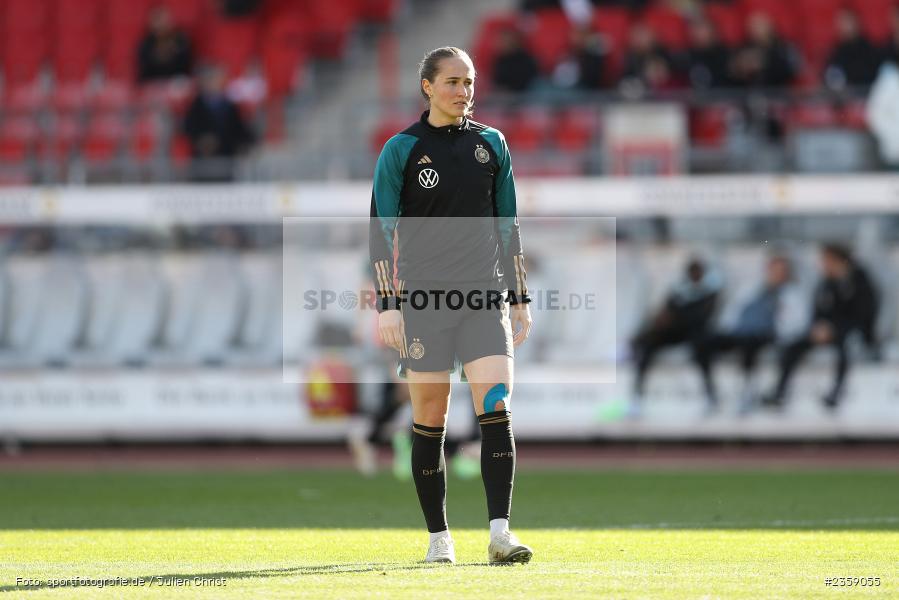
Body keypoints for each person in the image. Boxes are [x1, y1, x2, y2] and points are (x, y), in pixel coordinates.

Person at [369, 47, 533, 565]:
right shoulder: (401, 150)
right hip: (424, 302)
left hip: (485, 299)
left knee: (496, 407)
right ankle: (439, 538)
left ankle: (501, 534)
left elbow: (508, 226)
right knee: (430, 417)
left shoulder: (492, 144)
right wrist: (388, 305)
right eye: (452, 82)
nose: (463, 91)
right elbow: (381, 231)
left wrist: (520, 298)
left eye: (469, 81)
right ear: (427, 87)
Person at [762, 244, 880, 411]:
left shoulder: (859, 281)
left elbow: (864, 313)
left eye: (825, 260)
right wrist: (819, 326)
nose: (822, 264)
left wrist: (834, 328)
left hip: (852, 331)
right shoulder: (826, 282)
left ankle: (836, 392)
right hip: (826, 331)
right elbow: (819, 309)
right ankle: (780, 391)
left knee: (845, 350)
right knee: (793, 347)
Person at [694, 254, 806, 414]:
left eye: (781, 271)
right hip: (738, 332)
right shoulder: (751, 288)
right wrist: (727, 329)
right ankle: (710, 392)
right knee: (702, 342)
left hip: (767, 334)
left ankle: (746, 391)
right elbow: (732, 312)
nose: (776, 274)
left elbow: (796, 324)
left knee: (749, 343)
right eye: (774, 269)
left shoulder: (791, 294)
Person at [630, 258, 721, 414]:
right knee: (648, 345)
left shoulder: (710, 292)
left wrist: (679, 316)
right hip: (675, 332)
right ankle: (637, 396)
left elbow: (702, 317)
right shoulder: (679, 291)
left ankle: (710, 394)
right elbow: (667, 310)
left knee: (702, 349)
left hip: (695, 333)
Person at [183, 66, 255, 182]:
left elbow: (240, 130)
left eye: (217, 80)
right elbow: (188, 128)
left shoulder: (231, 106)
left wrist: (245, 143)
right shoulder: (195, 106)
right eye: (210, 80)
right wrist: (201, 140)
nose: (213, 83)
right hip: (203, 162)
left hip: (227, 160)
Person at [730, 12, 798, 88]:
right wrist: (740, 68)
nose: (755, 30)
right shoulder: (743, 48)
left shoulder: (784, 47)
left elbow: (793, 70)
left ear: (770, 26)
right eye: (753, 26)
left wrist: (765, 62)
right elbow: (732, 74)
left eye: (759, 26)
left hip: (780, 93)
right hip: (749, 94)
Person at [825, 8, 881, 89]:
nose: (844, 26)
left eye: (847, 21)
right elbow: (830, 76)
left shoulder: (868, 49)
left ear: (857, 22)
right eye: (841, 22)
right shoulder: (836, 51)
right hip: (845, 98)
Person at [137, 6, 193, 83]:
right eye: (157, 21)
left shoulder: (180, 40)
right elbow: (143, 71)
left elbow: (185, 67)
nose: (160, 25)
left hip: (177, 83)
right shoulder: (146, 43)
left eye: (163, 21)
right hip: (153, 84)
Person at [681, 17, 732, 89]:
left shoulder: (725, 55)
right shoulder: (686, 56)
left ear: (713, 31)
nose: (698, 33)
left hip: (723, 97)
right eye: (695, 29)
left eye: (702, 29)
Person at [552, 24, 608, 90]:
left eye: (581, 34)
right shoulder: (565, 55)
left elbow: (593, 79)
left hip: (588, 91)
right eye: (575, 34)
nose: (575, 37)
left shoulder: (593, 56)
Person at [491, 29, 541, 93]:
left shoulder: (526, 59)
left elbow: (529, 81)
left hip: (525, 95)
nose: (504, 43)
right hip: (504, 96)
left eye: (507, 40)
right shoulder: (499, 60)